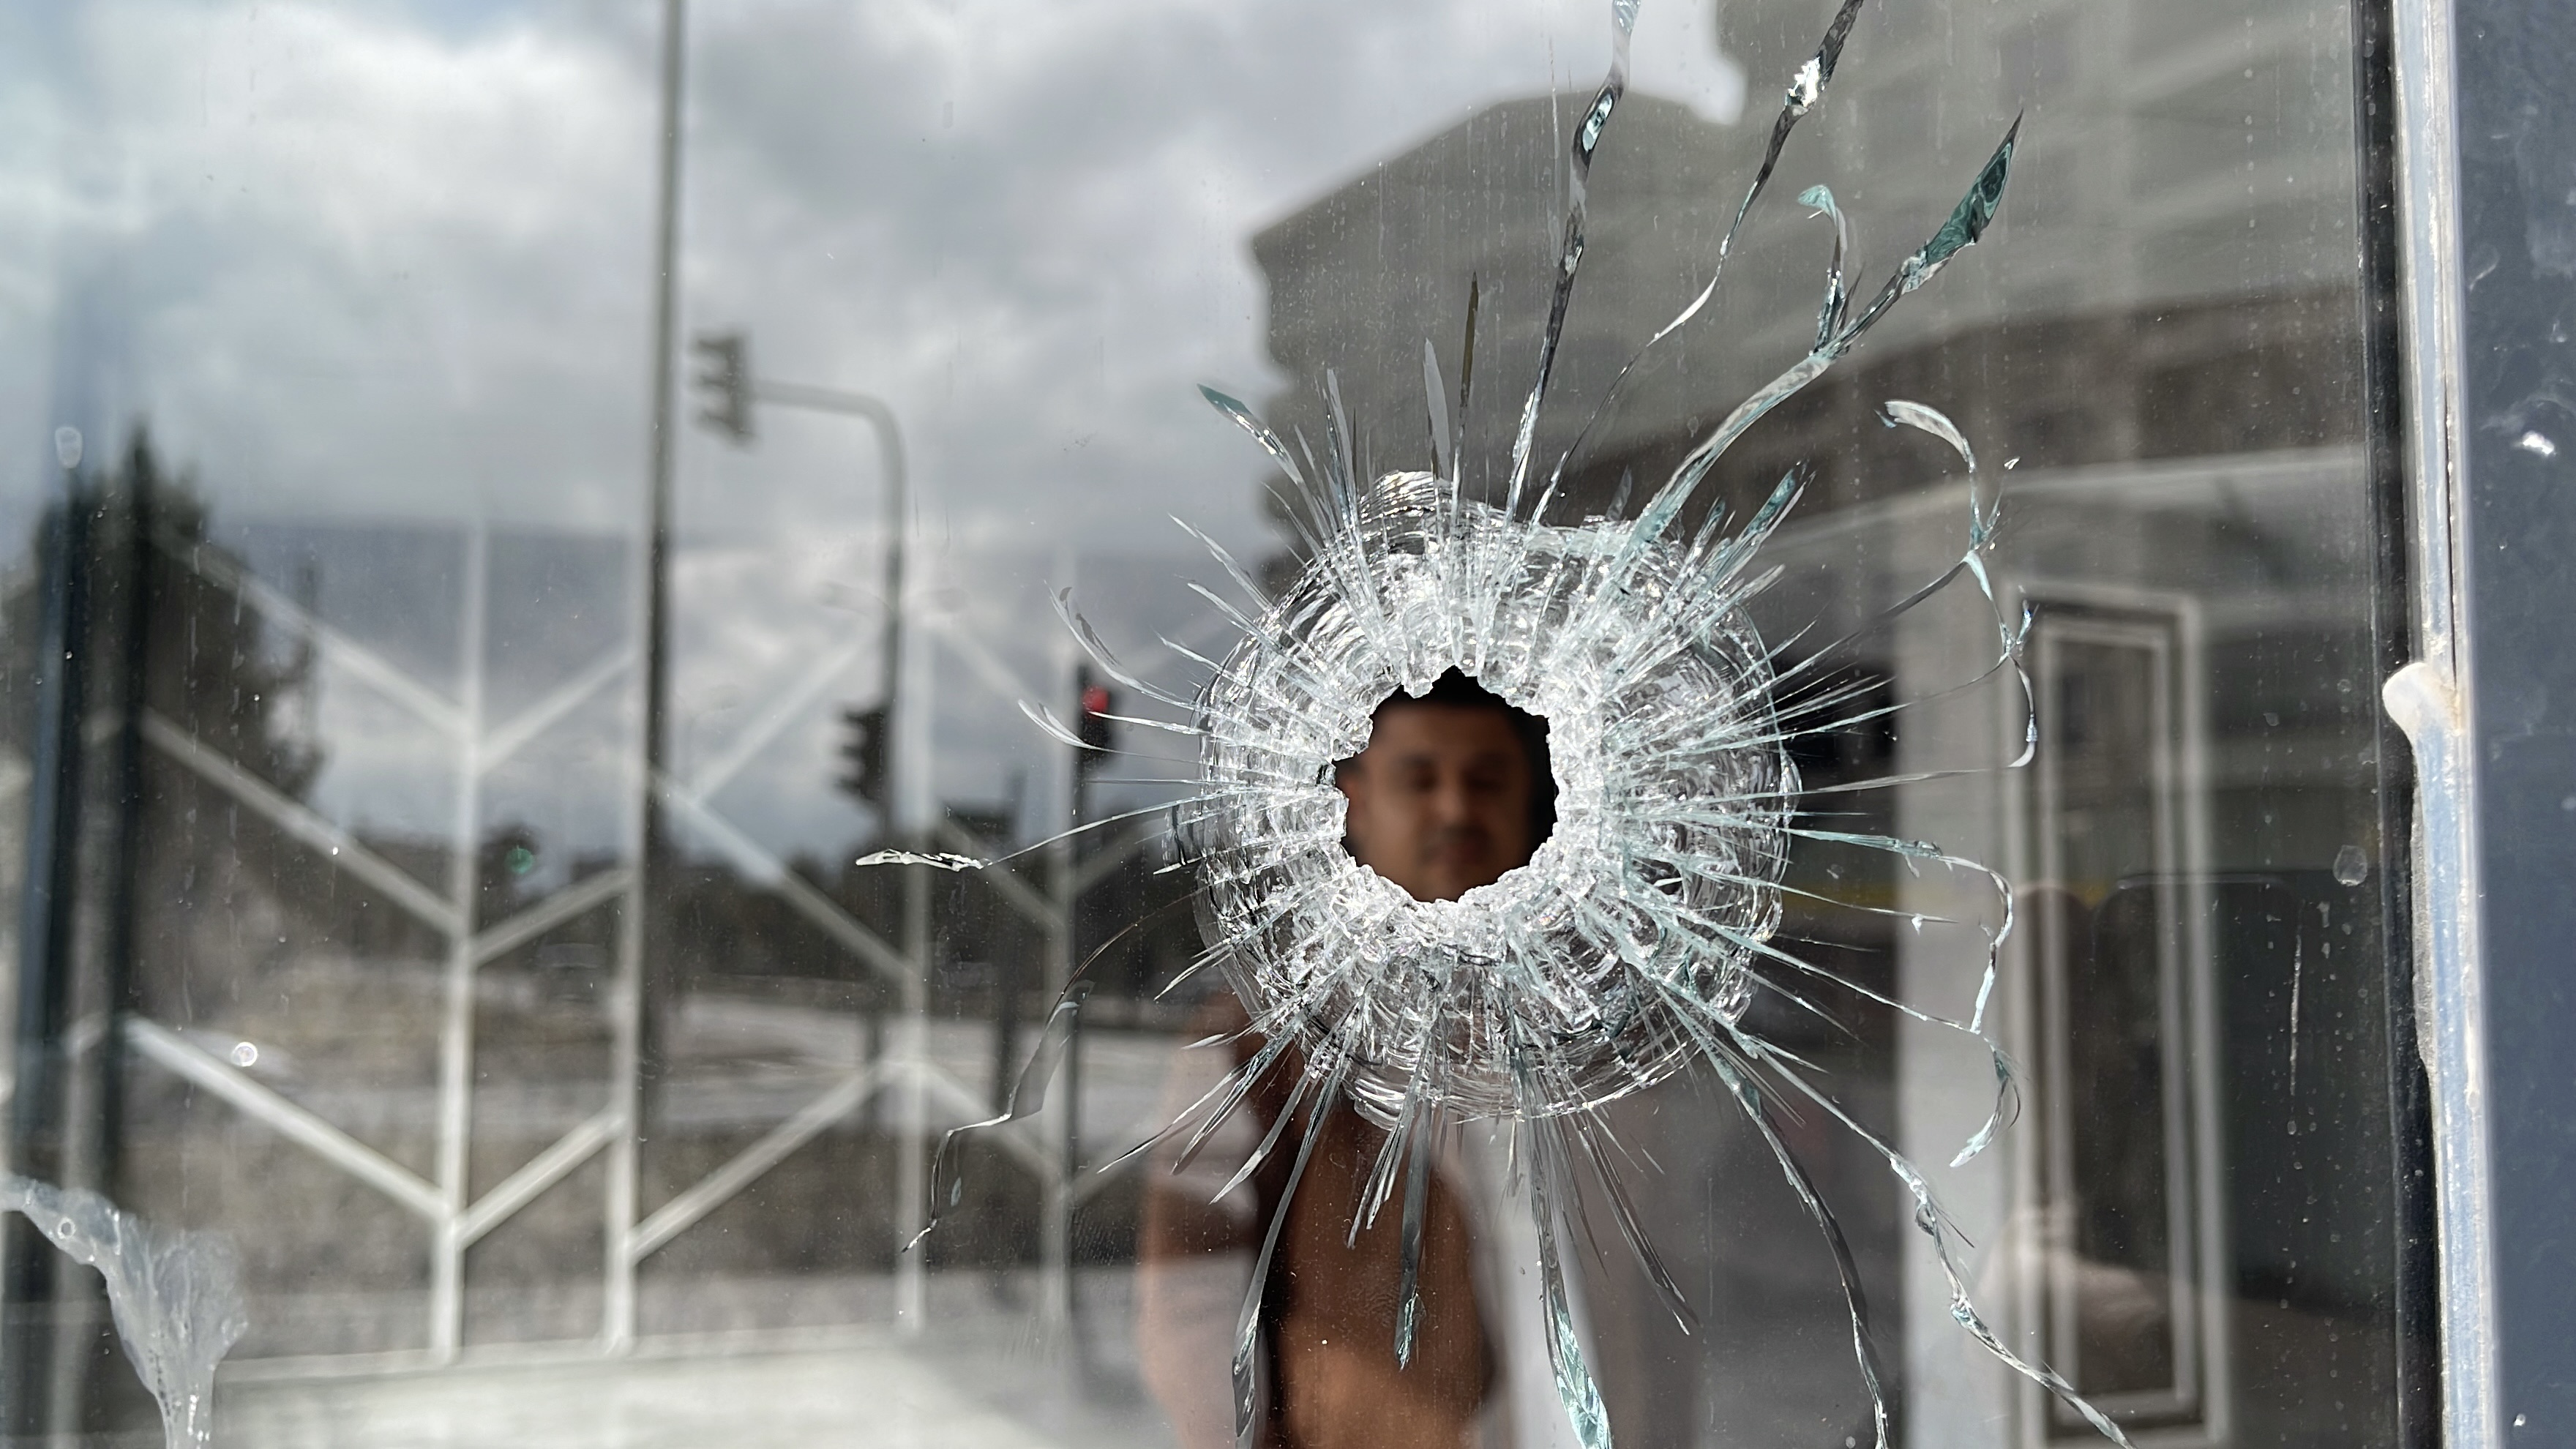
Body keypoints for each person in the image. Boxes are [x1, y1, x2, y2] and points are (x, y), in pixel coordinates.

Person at [1138, 671, 1557, 1449]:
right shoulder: (1259, 1037)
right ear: (1351, 801)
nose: (1455, 809)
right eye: (1419, 779)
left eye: (1487, 781)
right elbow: (1191, 1309)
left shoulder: (1597, 1033)